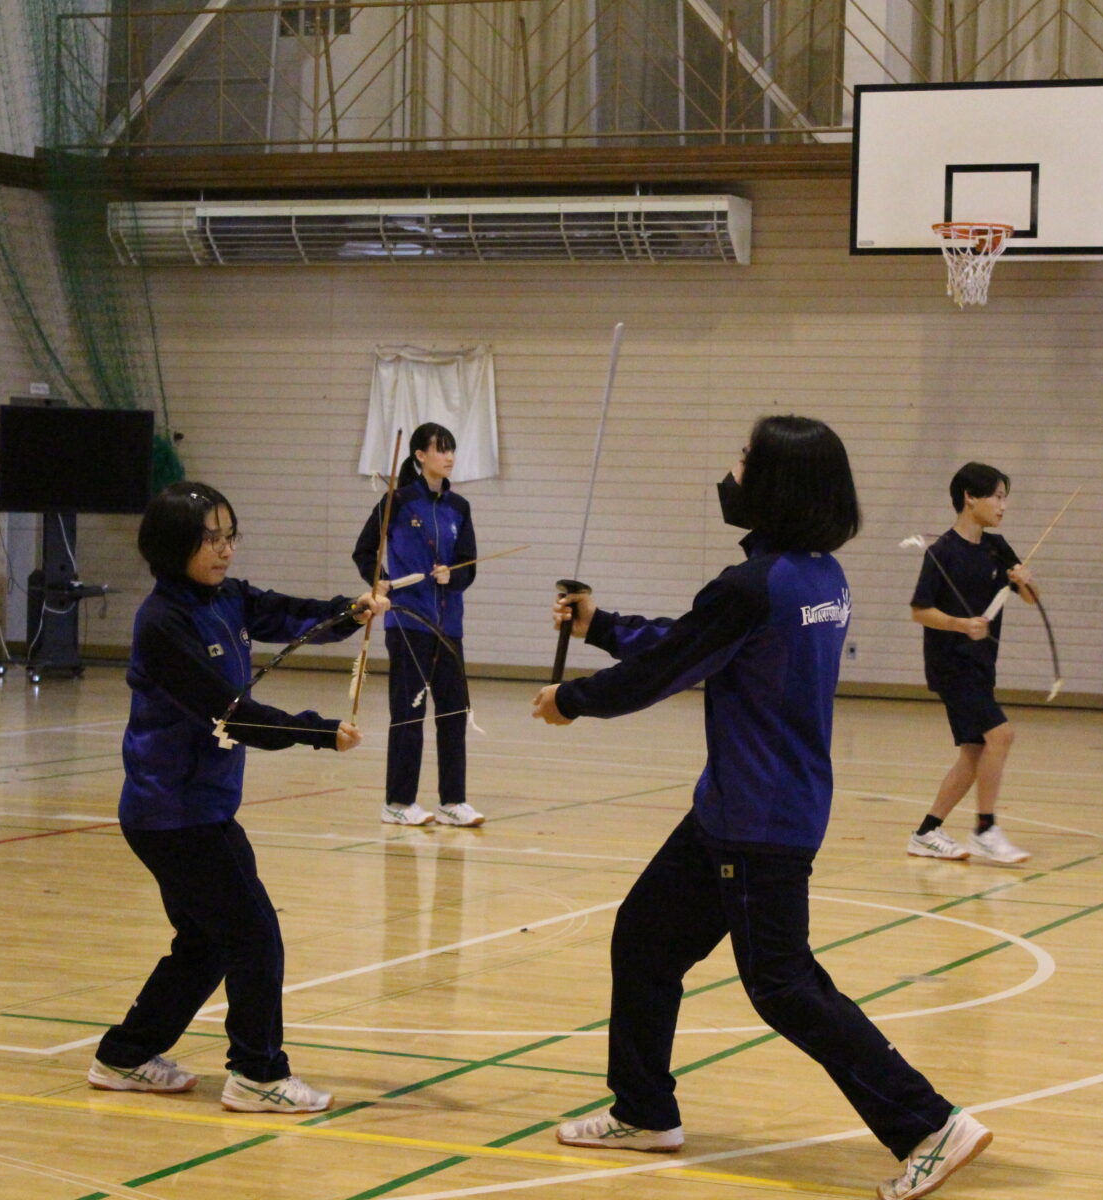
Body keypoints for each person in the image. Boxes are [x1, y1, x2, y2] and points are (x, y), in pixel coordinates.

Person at [529, 416, 991, 1200]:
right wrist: (599, 625)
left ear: (775, 484)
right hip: (735, 807)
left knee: (782, 985)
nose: (732, 471)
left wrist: (572, 699)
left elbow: (670, 665)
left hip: (760, 818)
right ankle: (644, 1110)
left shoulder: (755, 585)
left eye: (744, 460)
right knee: (645, 939)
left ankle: (929, 1124)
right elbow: (696, 638)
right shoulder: (817, 576)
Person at [88, 482, 389, 1112]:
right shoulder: (163, 623)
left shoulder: (225, 597)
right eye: (209, 538)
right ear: (175, 546)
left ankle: (125, 1055)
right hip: (173, 813)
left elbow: (284, 613)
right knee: (254, 935)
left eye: (230, 535)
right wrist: (316, 731)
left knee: (207, 941)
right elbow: (232, 714)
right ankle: (257, 1073)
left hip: (198, 807)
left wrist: (350, 611)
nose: (224, 550)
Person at [905, 462, 1037, 865]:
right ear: (970, 498)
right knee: (1001, 735)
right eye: (996, 496)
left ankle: (926, 833)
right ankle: (984, 829)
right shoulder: (942, 552)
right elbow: (920, 610)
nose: (1003, 505)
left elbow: (1031, 598)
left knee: (974, 751)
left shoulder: (998, 547)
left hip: (982, 664)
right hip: (951, 663)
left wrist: (1025, 580)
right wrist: (961, 624)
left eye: (1004, 497)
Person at [353, 422, 483, 826]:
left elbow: (469, 566)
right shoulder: (398, 501)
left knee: (452, 712)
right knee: (409, 712)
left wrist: (453, 576)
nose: (448, 457)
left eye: (452, 450)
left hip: (449, 626)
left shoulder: (459, 507)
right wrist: (379, 581)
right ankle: (397, 801)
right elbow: (364, 551)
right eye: (440, 449)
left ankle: (453, 801)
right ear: (420, 455)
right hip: (408, 622)